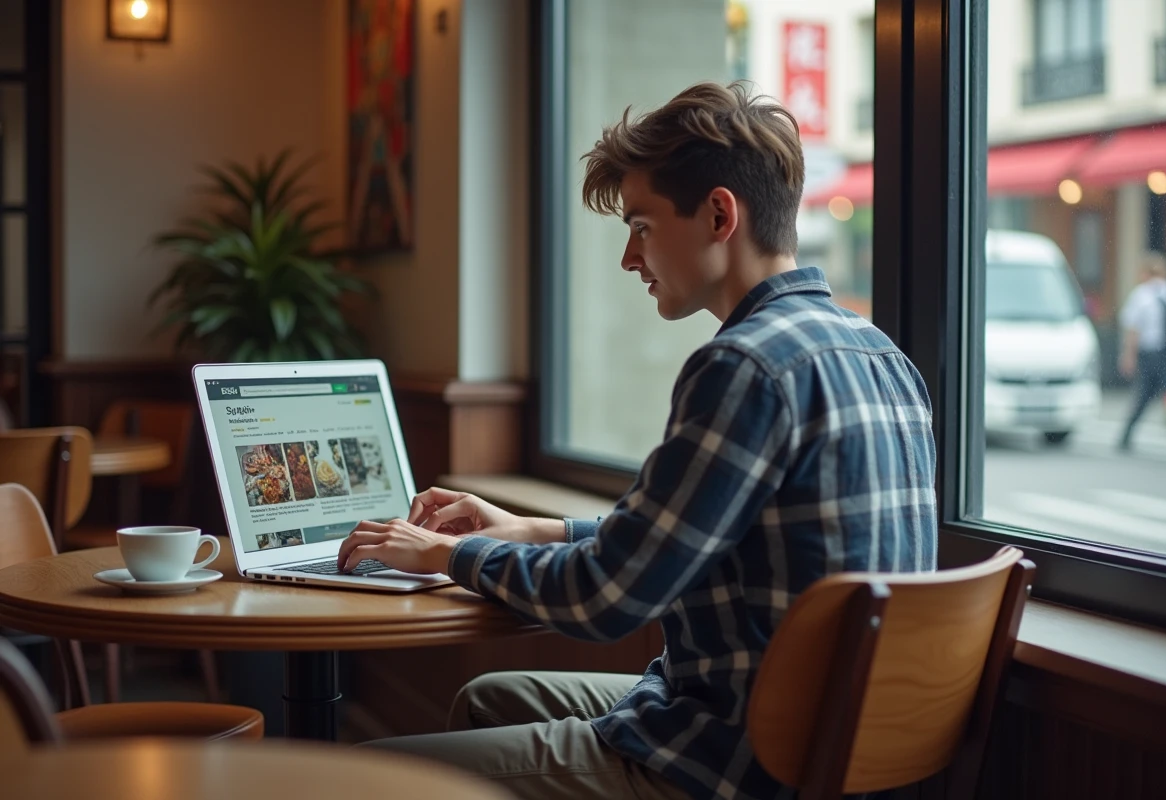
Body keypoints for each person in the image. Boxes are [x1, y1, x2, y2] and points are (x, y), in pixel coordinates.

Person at [337, 81, 938, 800]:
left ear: (720, 214)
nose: (630, 257)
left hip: (737, 761)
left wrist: (450, 554)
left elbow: (610, 600)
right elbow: (687, 539)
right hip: (836, 754)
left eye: (643, 226)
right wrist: (537, 528)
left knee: (363, 776)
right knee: (489, 698)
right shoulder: (881, 355)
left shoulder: (744, 365)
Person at [1117, 251, 1166, 452]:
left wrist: (1128, 355)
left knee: (1144, 396)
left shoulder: (1141, 295)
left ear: (1145, 273)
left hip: (1150, 353)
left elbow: (1133, 329)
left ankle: (1126, 436)